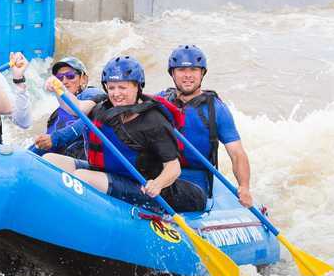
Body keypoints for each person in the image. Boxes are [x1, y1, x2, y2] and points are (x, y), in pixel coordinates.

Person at [43, 55, 206, 213]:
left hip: (141, 185)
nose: (116, 93)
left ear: (137, 86)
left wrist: (157, 184)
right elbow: (75, 107)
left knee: (81, 177)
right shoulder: (101, 105)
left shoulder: (153, 121)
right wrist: (59, 89)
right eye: (112, 87)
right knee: (50, 160)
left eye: (122, 87)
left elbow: (173, 167)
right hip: (108, 172)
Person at [159, 44, 254, 208]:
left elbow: (237, 153)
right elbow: (130, 101)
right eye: (181, 70)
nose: (187, 75)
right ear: (172, 74)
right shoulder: (161, 101)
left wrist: (244, 187)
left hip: (195, 184)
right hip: (161, 174)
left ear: (202, 73)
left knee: (159, 190)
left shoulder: (216, 109)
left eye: (194, 70)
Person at [33, 57, 103, 159]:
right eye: (60, 78)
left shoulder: (92, 94)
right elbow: (43, 143)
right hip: (51, 160)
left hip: (76, 159)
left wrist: (57, 138)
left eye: (70, 76)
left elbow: (89, 121)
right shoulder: (56, 114)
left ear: (83, 79)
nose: (64, 82)